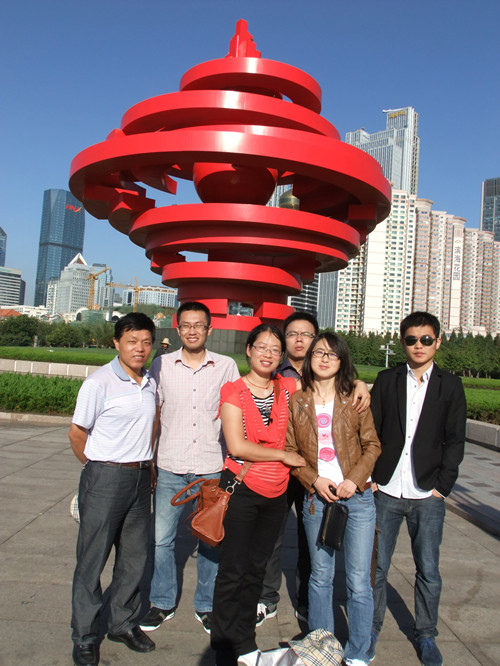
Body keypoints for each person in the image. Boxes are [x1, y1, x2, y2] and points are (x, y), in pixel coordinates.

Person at [258, 312, 372, 626]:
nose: (299, 340)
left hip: (328, 481)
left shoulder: (337, 383)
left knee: (316, 551)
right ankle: (267, 598)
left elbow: (368, 439)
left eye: (306, 335)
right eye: (292, 333)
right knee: (274, 535)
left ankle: (308, 604)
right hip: (286, 470)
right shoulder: (275, 374)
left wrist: (360, 382)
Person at [369, 312, 466, 666]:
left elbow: (455, 440)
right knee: (375, 568)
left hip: (428, 495)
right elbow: (372, 431)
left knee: (428, 569)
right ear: (402, 342)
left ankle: (425, 634)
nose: (419, 346)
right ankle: (370, 629)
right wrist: (371, 479)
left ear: (438, 342)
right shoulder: (387, 380)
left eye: (426, 339)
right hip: (386, 489)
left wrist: (443, 487)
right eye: (411, 339)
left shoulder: (450, 385)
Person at [139, 302, 240, 635]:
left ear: (210, 329)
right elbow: (153, 414)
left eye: (199, 325)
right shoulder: (162, 365)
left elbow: (238, 412)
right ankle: (162, 601)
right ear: (178, 328)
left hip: (211, 468)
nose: (192, 331)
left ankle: (207, 605)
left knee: (210, 540)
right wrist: (149, 460)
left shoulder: (225, 366)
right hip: (170, 465)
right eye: (186, 325)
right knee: (162, 540)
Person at [210, 324, 306, 666]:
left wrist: (357, 387)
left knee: (257, 570)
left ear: (282, 357)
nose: (268, 354)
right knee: (232, 569)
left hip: (276, 494)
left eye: (275, 349)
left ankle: (246, 643)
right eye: (261, 347)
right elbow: (237, 446)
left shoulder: (288, 387)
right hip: (241, 489)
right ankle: (223, 646)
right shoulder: (233, 391)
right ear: (249, 350)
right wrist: (282, 455)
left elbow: (328, 386)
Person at [286, 332, 381, 666]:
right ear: (309, 359)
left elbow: (372, 445)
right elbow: (290, 450)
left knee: (358, 581)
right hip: (317, 499)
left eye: (332, 354)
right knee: (320, 577)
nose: (324, 359)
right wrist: (313, 479)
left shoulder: (354, 399)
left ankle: (358, 652)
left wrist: (354, 480)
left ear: (342, 361)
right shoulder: (297, 401)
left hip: (357, 499)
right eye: (318, 353)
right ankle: (322, 646)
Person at [69, 313, 158, 666]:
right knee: (92, 560)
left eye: (146, 342)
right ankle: (85, 636)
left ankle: (122, 623)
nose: (140, 348)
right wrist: (97, 469)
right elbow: (78, 434)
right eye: (132, 341)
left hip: (140, 477)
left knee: (134, 558)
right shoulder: (99, 383)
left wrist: (148, 465)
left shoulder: (149, 382)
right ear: (117, 343)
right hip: (105, 477)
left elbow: (152, 426)